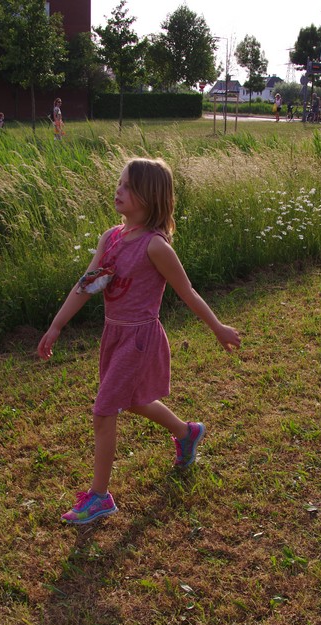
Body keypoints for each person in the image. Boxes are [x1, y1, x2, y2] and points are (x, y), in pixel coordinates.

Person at [38, 158, 241, 524]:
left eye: (128, 186)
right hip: (113, 334)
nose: (119, 190)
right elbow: (86, 286)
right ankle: (187, 432)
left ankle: (100, 497)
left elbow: (188, 292)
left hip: (139, 339)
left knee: (104, 410)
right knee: (131, 401)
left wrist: (218, 327)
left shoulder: (155, 247)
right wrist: (56, 326)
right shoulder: (110, 238)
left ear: (150, 197)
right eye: (119, 183)